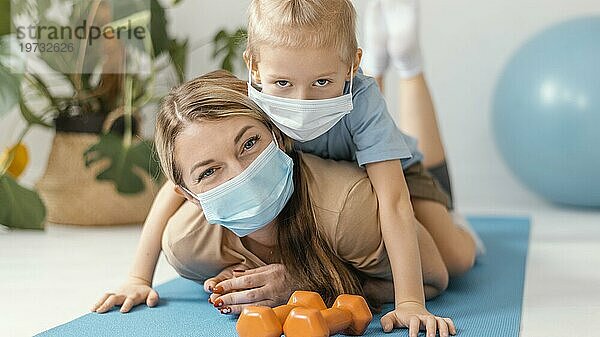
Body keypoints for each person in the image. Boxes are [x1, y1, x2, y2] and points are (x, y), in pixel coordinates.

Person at [162, 71, 455, 335]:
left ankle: (409, 70)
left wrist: (309, 284)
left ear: (277, 135)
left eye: (249, 143)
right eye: (209, 172)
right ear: (190, 197)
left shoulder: (347, 209)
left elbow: (435, 277)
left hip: (404, 177)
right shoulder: (188, 247)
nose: (243, 176)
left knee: (459, 255)